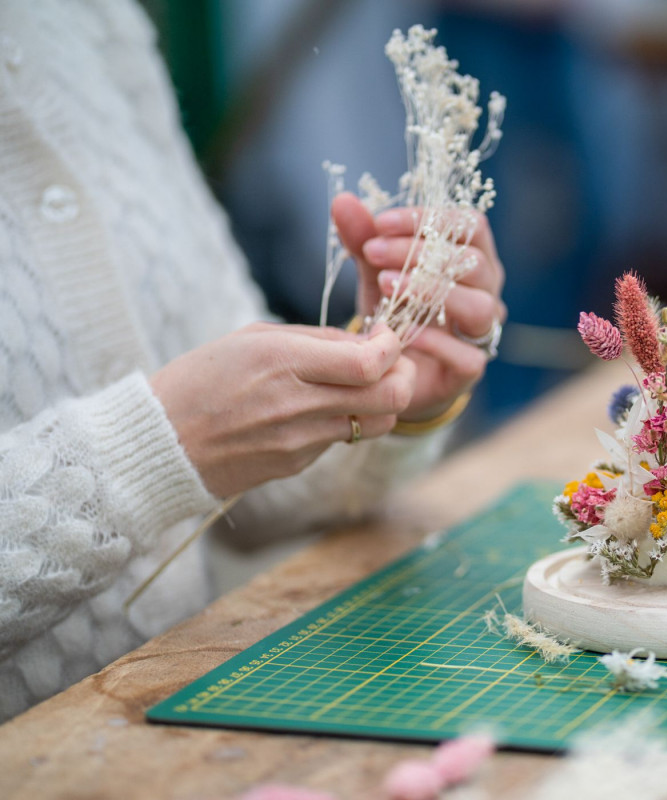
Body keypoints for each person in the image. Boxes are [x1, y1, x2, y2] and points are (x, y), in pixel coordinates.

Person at [0, 1, 505, 720]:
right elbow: (192, 444)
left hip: (202, 714)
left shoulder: (86, 20)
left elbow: (243, 488)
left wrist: (384, 397)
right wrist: (165, 445)